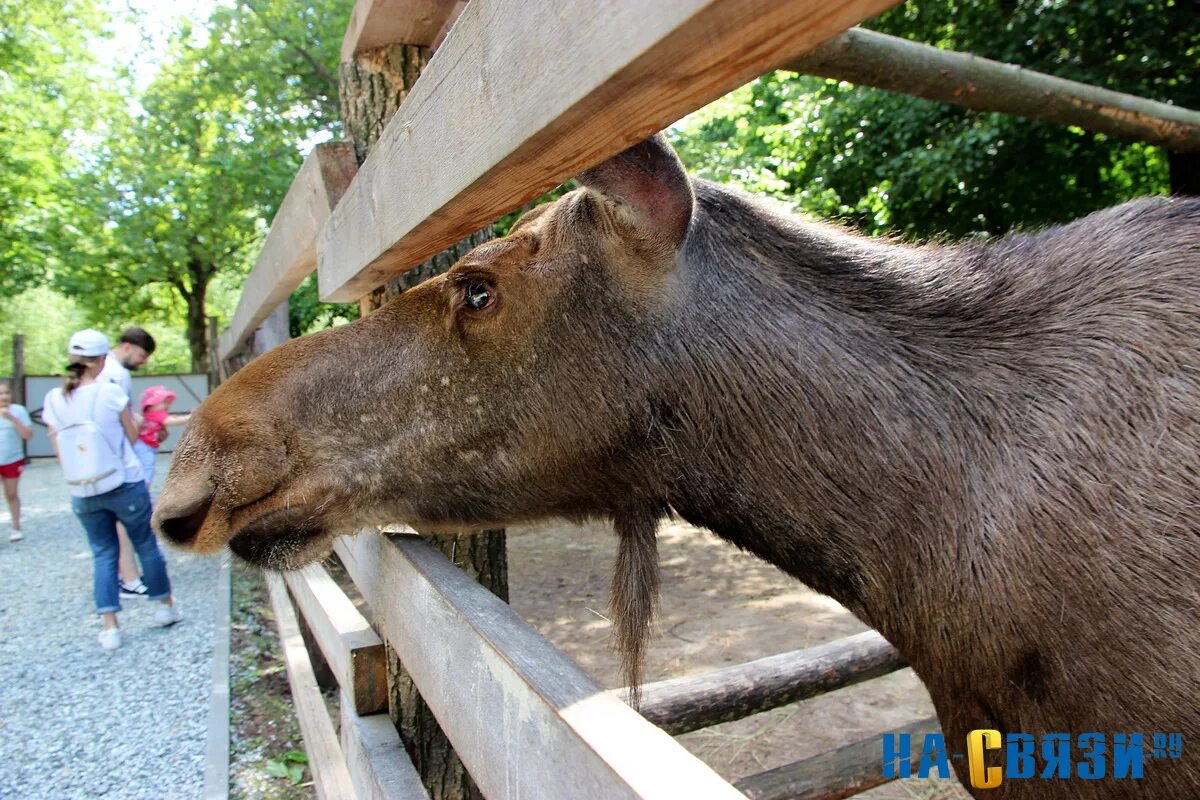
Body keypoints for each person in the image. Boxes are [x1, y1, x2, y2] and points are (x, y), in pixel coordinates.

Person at [43, 329, 182, 651]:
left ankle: (110, 628)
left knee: (103, 554)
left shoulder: (53, 399)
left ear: (71, 359)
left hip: (82, 491)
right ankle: (164, 608)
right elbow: (132, 437)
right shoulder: (109, 392)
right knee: (146, 545)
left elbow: (59, 449)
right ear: (103, 359)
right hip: (122, 483)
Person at [98, 327, 157, 598]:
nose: (143, 362)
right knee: (128, 518)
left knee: (109, 521)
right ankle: (129, 578)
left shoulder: (99, 371)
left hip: (99, 459)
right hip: (118, 457)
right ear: (128, 346)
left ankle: (120, 576)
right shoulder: (115, 374)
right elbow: (120, 420)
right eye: (142, 354)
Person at [133, 385, 190, 490]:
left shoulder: (151, 414)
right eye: (163, 402)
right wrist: (190, 417)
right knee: (147, 468)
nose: (166, 405)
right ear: (150, 405)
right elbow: (170, 421)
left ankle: (142, 489)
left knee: (143, 468)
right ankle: (143, 491)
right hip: (145, 447)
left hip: (143, 445)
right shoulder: (156, 414)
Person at [0, 379, 33, 542]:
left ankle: (16, 526)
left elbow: (27, 434)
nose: (4, 396)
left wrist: (13, 419)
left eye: (6, 393)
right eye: (0, 393)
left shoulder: (18, 411)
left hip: (12, 459)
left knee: (11, 493)